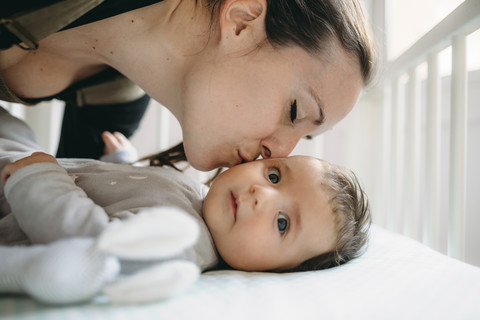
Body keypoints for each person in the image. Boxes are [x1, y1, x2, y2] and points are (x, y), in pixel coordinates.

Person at [0, 106, 371, 304]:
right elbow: (130, 193)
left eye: (282, 224)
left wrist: (38, 179)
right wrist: (122, 164)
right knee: (14, 126)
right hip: (24, 165)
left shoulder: (184, 245)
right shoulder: (195, 196)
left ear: (274, 271)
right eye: (274, 176)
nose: (262, 194)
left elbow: (94, 242)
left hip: (13, 196)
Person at [0, 0, 377, 171]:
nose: (279, 154)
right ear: (243, 21)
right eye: (295, 111)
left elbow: (53, 200)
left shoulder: (117, 103)